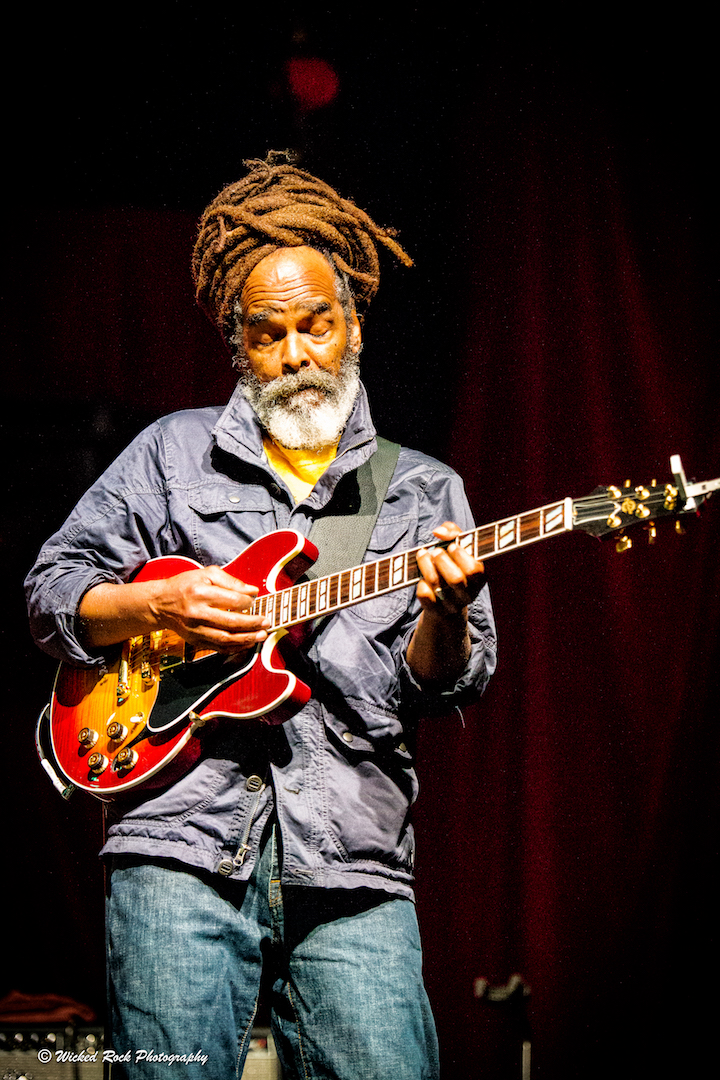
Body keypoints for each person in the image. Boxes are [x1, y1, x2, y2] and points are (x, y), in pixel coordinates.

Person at [25, 155, 497, 1080]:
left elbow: (451, 680)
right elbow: (51, 589)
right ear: (239, 346)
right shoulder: (169, 454)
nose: (297, 354)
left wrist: (445, 611)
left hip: (352, 860)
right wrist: (156, 601)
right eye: (268, 333)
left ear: (352, 324)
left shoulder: (422, 489)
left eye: (316, 324)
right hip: (177, 840)